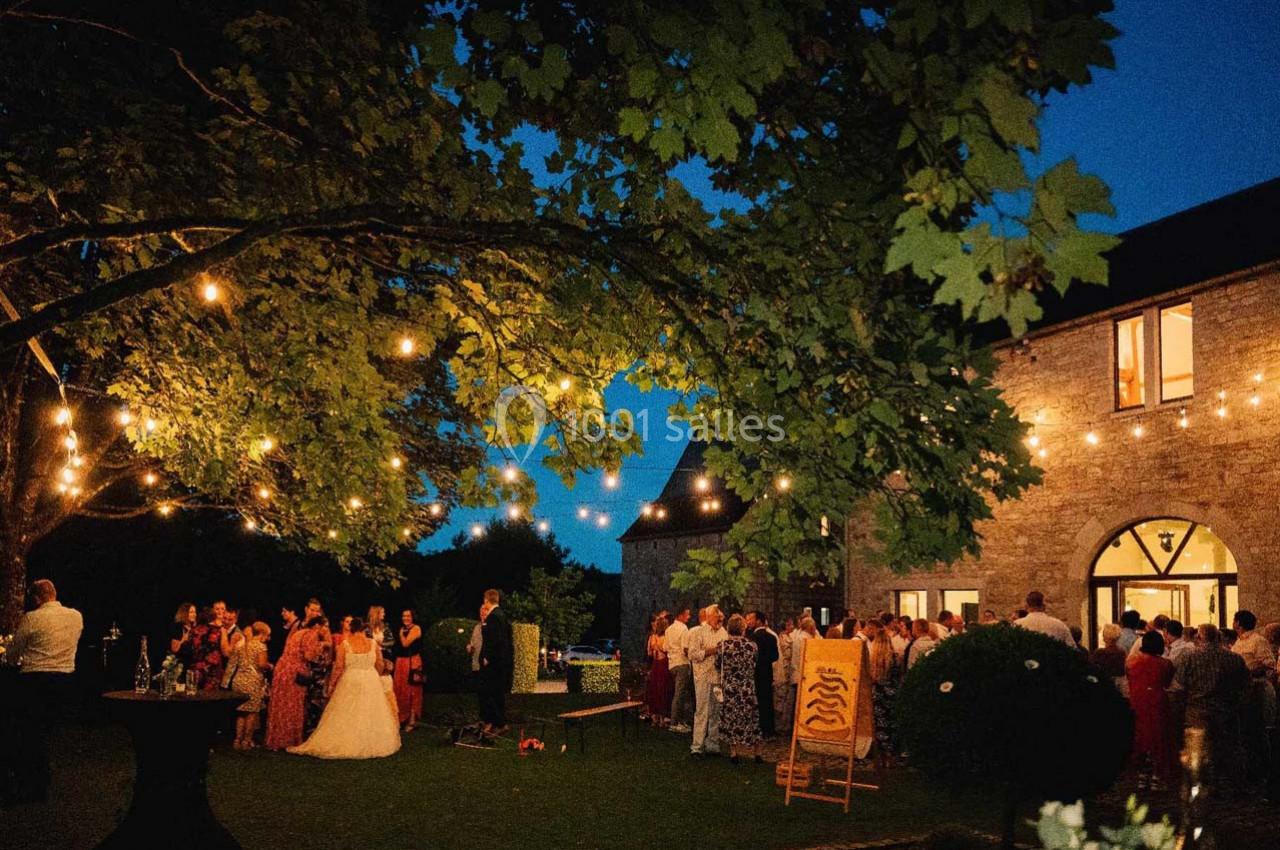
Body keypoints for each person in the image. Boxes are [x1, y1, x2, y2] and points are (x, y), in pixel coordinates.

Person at [9, 579, 83, 804]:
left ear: (36, 598)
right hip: (65, 680)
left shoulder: (32, 618)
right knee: (43, 729)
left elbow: (14, 654)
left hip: (35, 681)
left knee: (28, 730)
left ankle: (32, 782)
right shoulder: (76, 617)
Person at [289, 617, 401, 759]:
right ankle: (368, 740)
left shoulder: (345, 645)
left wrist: (331, 686)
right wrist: (374, 674)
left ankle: (349, 739)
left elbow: (338, 668)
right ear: (363, 629)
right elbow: (379, 664)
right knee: (369, 711)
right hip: (370, 679)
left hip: (351, 679)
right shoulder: (373, 644)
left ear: (351, 629)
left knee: (348, 710)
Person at [1174, 624, 1248, 790]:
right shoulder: (1234, 658)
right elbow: (1245, 684)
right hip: (1226, 710)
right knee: (1227, 748)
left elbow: (1179, 686)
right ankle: (1230, 784)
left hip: (1197, 711)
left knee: (1199, 750)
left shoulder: (1190, 658)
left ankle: (1202, 784)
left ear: (1199, 637)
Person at [1230, 610, 1275, 782]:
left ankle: (1264, 769)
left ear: (1239, 623)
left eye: (1235, 621)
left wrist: (1248, 672)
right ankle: (1250, 768)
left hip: (1256, 687)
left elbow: (1268, 664)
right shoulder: (1238, 641)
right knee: (1246, 730)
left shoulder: (1258, 641)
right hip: (1243, 690)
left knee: (1258, 729)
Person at [1127, 630, 1176, 789]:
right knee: (1159, 737)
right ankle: (1157, 774)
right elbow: (1167, 683)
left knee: (1141, 737)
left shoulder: (1132, 662)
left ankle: (1142, 774)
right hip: (1157, 700)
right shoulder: (1165, 664)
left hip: (1138, 700)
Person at [718, 614, 763, 763]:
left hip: (730, 688)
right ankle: (757, 752)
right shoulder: (752, 646)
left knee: (732, 719)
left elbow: (718, 665)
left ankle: (734, 753)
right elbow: (755, 663)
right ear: (743, 628)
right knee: (751, 719)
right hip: (747, 687)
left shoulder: (723, 646)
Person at [687, 605, 727, 756]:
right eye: (718, 618)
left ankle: (713, 744)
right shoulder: (698, 632)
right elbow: (692, 654)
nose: (721, 621)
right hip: (702, 677)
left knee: (716, 711)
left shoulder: (723, 633)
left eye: (722, 618)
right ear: (709, 617)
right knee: (702, 710)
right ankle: (697, 746)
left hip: (717, 677)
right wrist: (712, 651)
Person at [228, 621, 272, 750]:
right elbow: (261, 664)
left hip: (238, 680)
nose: (268, 638)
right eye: (267, 635)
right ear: (262, 634)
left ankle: (237, 740)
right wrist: (270, 666)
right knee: (252, 712)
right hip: (252, 681)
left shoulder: (241, 645)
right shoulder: (260, 646)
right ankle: (247, 741)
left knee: (241, 713)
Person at [865, 620, 901, 768]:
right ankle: (891, 756)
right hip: (891, 694)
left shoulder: (872, 659)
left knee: (878, 726)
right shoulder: (894, 658)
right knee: (891, 724)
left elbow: (870, 677)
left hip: (877, 694)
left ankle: (879, 758)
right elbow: (898, 676)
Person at [478, 589, 513, 734]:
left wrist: (487, 657)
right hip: (501, 662)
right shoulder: (502, 615)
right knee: (496, 692)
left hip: (494, 663)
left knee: (493, 693)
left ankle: (499, 722)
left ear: (487, 600)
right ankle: (496, 721)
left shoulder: (493, 617)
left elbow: (494, 641)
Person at [745, 611, 779, 737]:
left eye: (750, 619)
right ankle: (769, 730)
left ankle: (757, 728)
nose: (748, 622)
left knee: (756, 701)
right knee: (767, 701)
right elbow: (775, 656)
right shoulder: (771, 637)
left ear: (759, 621)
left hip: (755, 673)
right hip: (767, 673)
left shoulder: (752, 638)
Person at [299, 615, 334, 736]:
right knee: (311, 702)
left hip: (322, 674)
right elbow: (310, 656)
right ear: (317, 626)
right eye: (325, 626)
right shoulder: (311, 636)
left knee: (319, 702)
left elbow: (328, 656)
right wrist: (322, 645)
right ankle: (308, 731)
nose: (327, 629)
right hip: (312, 674)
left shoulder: (324, 638)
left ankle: (316, 729)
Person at [393, 609, 423, 733]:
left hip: (412, 661)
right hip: (401, 661)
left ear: (413, 617)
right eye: (403, 616)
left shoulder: (416, 628)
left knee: (412, 691)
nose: (405, 618)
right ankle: (401, 718)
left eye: (408, 616)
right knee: (399, 689)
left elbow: (405, 644)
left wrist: (400, 634)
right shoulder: (401, 628)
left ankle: (412, 720)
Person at [664, 607, 693, 733]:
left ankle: (681, 720)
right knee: (680, 694)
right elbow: (685, 648)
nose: (689, 617)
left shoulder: (669, 629)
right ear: (681, 615)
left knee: (681, 693)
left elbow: (665, 647)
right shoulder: (683, 629)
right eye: (687, 614)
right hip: (682, 663)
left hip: (672, 664)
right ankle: (674, 722)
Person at [644, 614, 673, 727]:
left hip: (655, 664)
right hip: (663, 664)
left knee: (655, 689)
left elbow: (649, 653)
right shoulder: (665, 637)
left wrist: (654, 647)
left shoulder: (652, 637)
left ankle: (655, 717)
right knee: (662, 690)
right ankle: (661, 717)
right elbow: (667, 650)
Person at [190, 606, 227, 691]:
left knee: (196, 694)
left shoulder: (194, 630)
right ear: (213, 618)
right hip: (212, 668)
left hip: (197, 667)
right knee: (211, 696)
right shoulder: (218, 630)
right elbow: (225, 650)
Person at [1091, 623, 1129, 697]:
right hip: (1120, 686)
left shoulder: (1099, 653)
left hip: (1104, 686)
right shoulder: (1122, 652)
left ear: (1105, 637)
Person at [169, 602, 197, 667]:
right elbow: (174, 649)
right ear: (185, 613)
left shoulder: (196, 628)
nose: (194, 614)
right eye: (191, 612)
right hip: (180, 663)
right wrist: (184, 639)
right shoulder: (178, 627)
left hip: (193, 664)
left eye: (195, 612)